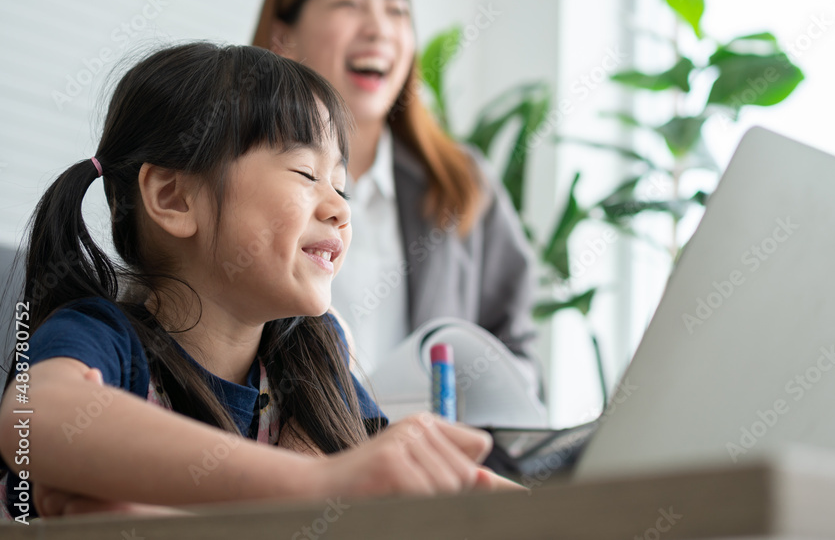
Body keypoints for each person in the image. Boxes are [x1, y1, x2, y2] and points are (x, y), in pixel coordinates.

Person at [0, 43, 516, 521]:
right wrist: (321, 481)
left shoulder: (313, 355)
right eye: (306, 175)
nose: (340, 208)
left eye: (341, 184)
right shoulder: (103, 336)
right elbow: (32, 422)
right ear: (175, 198)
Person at [251, 0, 541, 388]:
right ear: (282, 37)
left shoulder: (464, 182)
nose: (380, 30)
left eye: (397, 11)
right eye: (349, 4)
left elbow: (519, 361)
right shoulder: (238, 179)